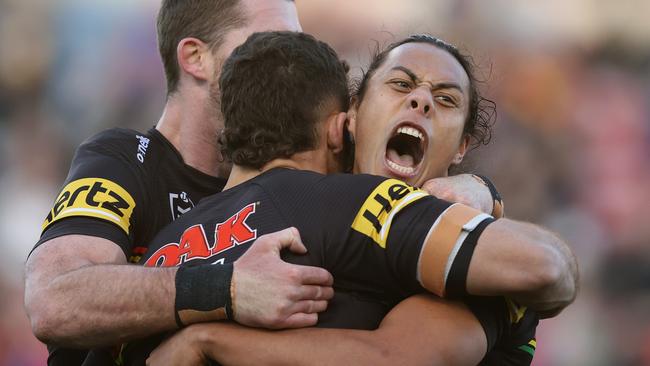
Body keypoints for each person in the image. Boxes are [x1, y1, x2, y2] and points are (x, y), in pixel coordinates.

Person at [134, 31, 578, 365]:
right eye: (402, 86)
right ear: (351, 118)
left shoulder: (482, 263)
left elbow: (548, 268)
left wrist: (206, 341)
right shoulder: (321, 206)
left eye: (445, 99)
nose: (422, 100)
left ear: (462, 147)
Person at [23, 1, 335, 365]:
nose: (296, 70)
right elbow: (55, 300)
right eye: (271, 46)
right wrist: (227, 287)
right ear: (195, 57)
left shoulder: (307, 173)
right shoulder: (124, 162)